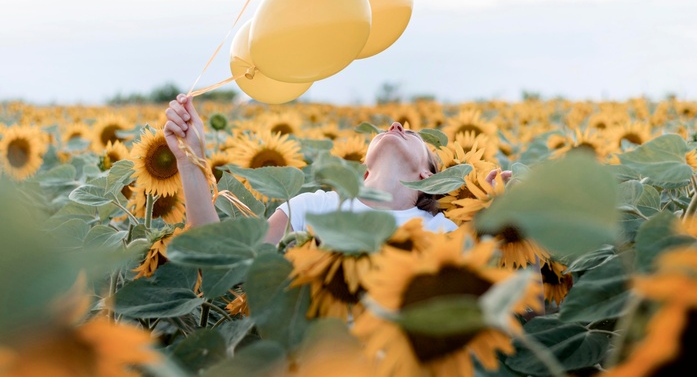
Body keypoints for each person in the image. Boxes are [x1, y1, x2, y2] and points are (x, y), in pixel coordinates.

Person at [163, 94, 486, 245]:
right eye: (387, 129)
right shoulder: (312, 207)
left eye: (412, 135)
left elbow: (520, 318)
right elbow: (222, 259)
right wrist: (190, 161)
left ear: (428, 178)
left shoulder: (444, 233)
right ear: (363, 174)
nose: (395, 124)